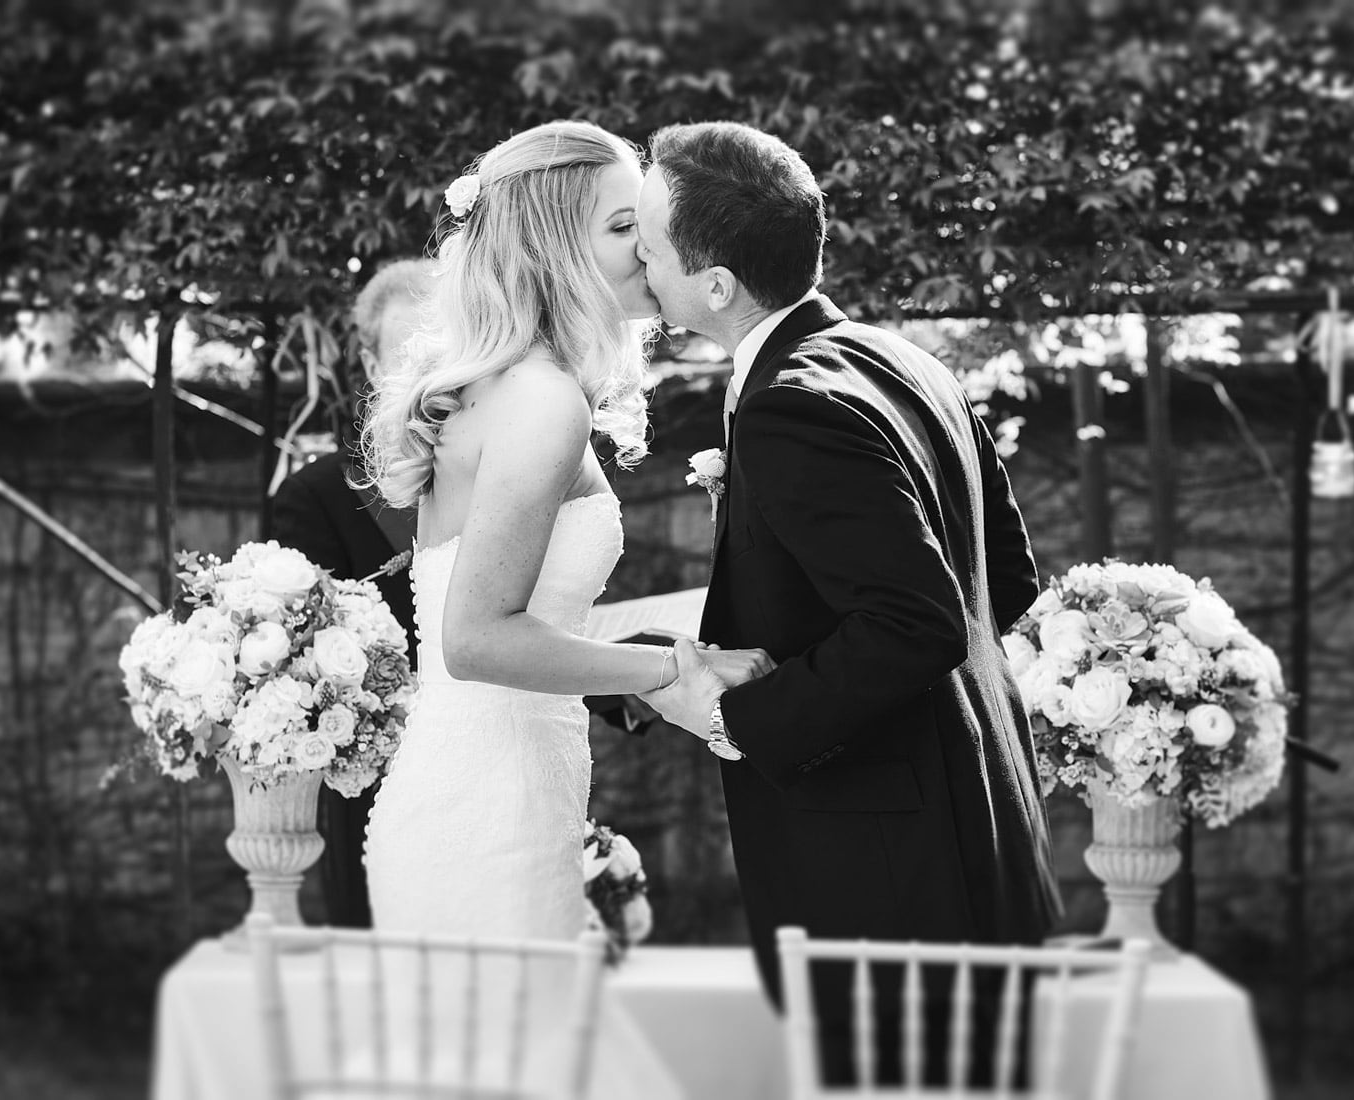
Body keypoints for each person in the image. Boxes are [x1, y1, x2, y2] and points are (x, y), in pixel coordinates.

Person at [635, 121, 1064, 1086]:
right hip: (983, 824)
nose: (640, 268)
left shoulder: (792, 403)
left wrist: (733, 716)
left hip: (892, 876)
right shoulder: (904, 362)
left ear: (716, 284)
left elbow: (916, 622)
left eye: (652, 248)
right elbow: (1002, 583)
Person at [356, 120, 772, 943]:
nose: (650, 246)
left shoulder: (507, 387)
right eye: (623, 227)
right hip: (487, 814)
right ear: (554, 248)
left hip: (493, 787)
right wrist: (675, 668)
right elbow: (476, 640)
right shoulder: (541, 401)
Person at [269, 257, 435, 927]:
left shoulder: (510, 475)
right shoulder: (315, 499)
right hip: (381, 798)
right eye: (410, 355)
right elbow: (314, 675)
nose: (431, 374)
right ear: (371, 365)